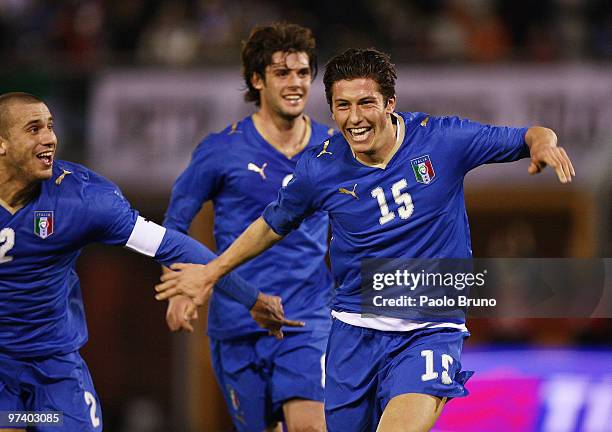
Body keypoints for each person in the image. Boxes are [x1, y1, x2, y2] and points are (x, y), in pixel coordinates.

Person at [155, 48, 575, 431]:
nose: (354, 118)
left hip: (428, 327)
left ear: (389, 103)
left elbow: (529, 134)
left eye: (365, 103)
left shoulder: (442, 140)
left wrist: (544, 146)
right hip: (352, 331)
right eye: (342, 106)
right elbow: (269, 225)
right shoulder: (319, 169)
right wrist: (211, 272)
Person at [0, 92, 288, 432]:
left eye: (50, 126)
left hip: (55, 369)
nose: (49, 138)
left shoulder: (84, 199)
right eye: (34, 129)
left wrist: (250, 298)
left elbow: (173, 246)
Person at [162, 23, 334, 432]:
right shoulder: (221, 150)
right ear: (257, 80)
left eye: (303, 73)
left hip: (307, 318)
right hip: (237, 322)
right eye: (282, 73)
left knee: (310, 427)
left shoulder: (333, 149)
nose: (295, 84)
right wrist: (180, 288)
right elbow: (174, 224)